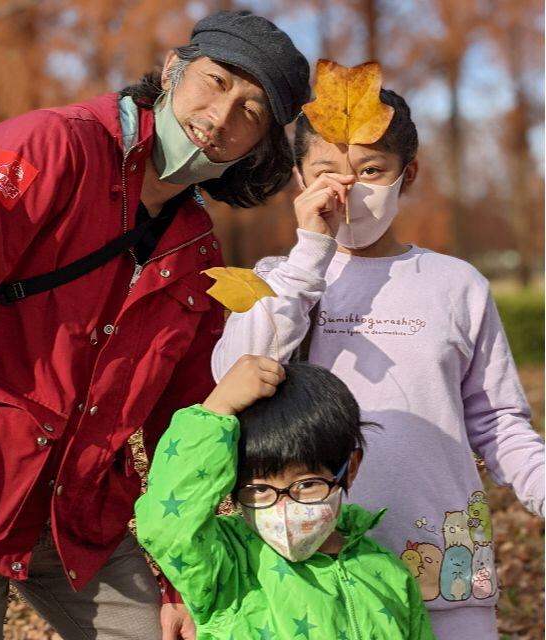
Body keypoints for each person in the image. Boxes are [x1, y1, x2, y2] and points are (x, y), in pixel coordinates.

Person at [0, 10, 310, 640]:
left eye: (252, 113)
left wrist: (180, 580)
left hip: (81, 517)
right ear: (174, 70)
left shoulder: (197, 250)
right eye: (217, 81)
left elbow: (188, 419)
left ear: (258, 147)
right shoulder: (50, 148)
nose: (222, 117)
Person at [211, 80, 545, 639]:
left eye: (370, 171)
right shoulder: (277, 281)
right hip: (314, 573)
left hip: (443, 561)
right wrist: (308, 256)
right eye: (325, 171)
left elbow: (498, 422)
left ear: (406, 175)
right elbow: (234, 379)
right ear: (299, 179)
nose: (347, 188)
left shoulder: (456, 285)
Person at [135, 355, 436, 639]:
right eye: (259, 490)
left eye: (306, 484)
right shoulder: (227, 565)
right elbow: (167, 526)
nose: (284, 508)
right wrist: (216, 409)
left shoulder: (386, 572)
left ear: (350, 469)